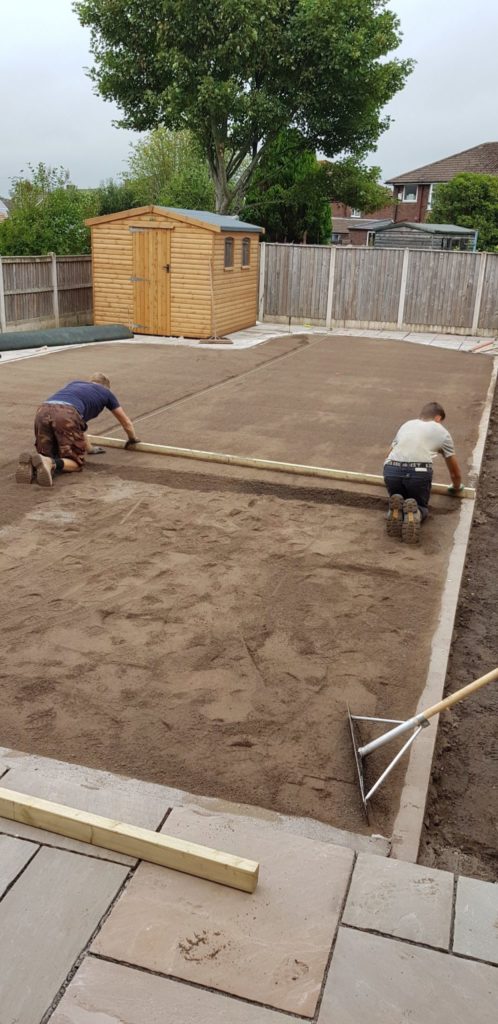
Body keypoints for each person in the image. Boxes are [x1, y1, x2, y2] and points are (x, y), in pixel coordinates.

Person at [16, 372, 140, 487]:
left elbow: (79, 428)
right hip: (67, 413)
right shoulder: (106, 393)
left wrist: (90, 449)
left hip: (43, 410)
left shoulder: (74, 384)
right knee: (76, 463)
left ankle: (34, 464)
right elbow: (126, 423)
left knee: (48, 452)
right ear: (106, 386)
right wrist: (132, 439)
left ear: (91, 381)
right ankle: (50, 463)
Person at [384, 401, 464, 543]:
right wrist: (456, 487)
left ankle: (395, 511)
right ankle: (416, 513)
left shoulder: (407, 425)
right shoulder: (442, 432)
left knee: (398, 496)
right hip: (418, 473)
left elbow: (389, 453)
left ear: (421, 415)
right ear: (438, 418)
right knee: (420, 505)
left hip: (391, 469)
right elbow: (455, 473)